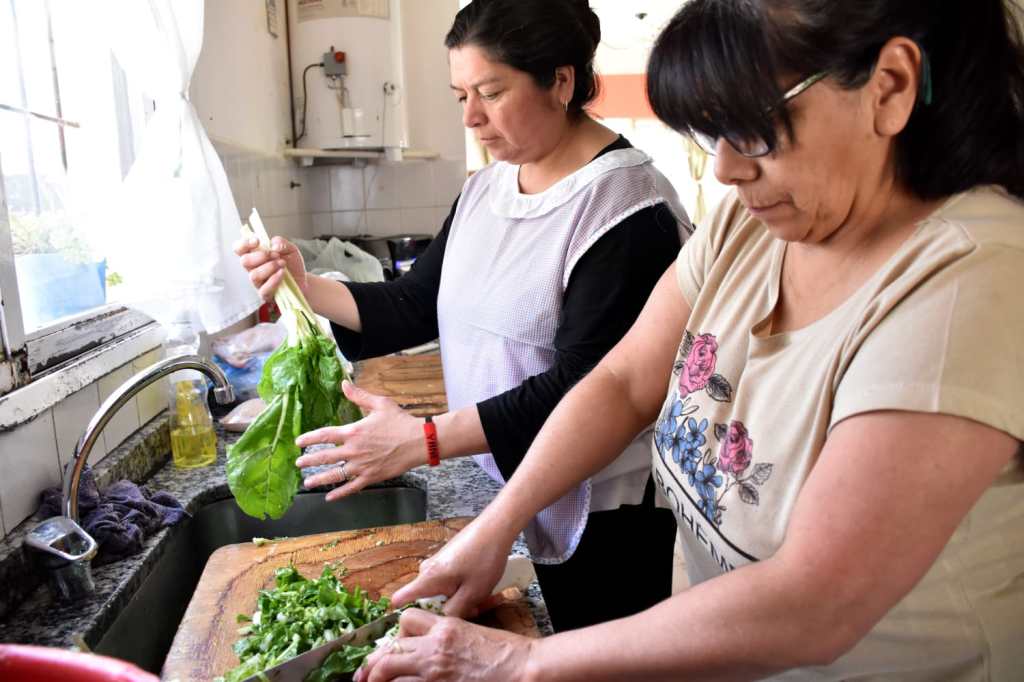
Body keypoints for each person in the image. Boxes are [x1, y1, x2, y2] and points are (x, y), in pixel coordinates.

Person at [355, 1, 1024, 680]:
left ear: (890, 87)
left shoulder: (973, 279)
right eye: (712, 132)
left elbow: (815, 603)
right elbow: (622, 383)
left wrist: (524, 662)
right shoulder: (749, 226)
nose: (726, 169)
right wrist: (497, 525)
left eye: (752, 128)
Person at [235, 0, 690, 633]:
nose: (471, 116)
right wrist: (304, 285)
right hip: (501, 478)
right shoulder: (488, 187)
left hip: (601, 515)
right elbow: (414, 303)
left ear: (561, 82)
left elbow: (580, 388)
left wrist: (423, 439)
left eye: (492, 93)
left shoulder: (627, 210)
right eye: (461, 96)